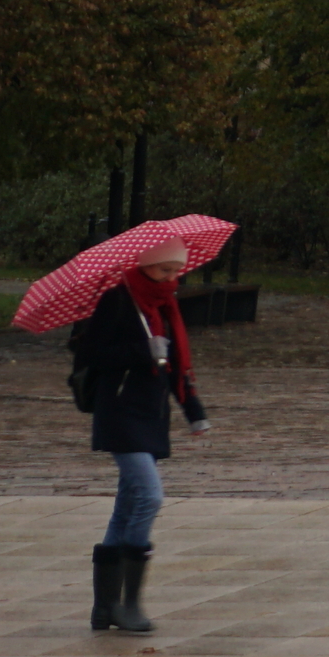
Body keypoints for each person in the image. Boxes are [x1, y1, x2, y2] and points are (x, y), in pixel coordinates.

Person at [72, 236, 207, 634]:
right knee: (149, 495)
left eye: (176, 271)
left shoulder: (165, 305)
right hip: (119, 413)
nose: (171, 278)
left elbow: (177, 362)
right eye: (164, 270)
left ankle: (106, 606)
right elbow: (90, 356)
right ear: (145, 265)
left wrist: (194, 411)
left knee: (128, 503)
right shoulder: (117, 300)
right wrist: (140, 351)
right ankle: (128, 603)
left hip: (150, 413)